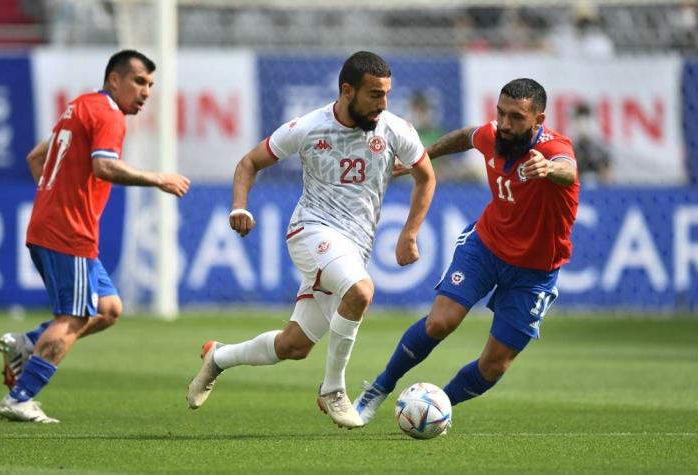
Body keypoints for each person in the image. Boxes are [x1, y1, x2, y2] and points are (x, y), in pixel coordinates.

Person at [187, 51, 435, 429]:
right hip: (312, 230)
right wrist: (240, 206)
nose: (382, 105)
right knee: (361, 291)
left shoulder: (394, 128)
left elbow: (426, 176)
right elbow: (248, 163)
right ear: (347, 91)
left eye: (386, 95)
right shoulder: (309, 127)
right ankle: (333, 389)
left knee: (294, 346)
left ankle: (218, 358)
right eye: (374, 95)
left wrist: (410, 232)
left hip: (355, 245)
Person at [353, 78, 579, 425]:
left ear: (539, 120)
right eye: (501, 113)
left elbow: (568, 169)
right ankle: (380, 387)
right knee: (441, 321)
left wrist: (548, 169)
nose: (504, 124)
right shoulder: (493, 135)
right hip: (486, 245)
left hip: (535, 273)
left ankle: (435, 408)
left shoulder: (552, 151)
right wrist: (422, 156)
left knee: (494, 364)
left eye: (516, 117)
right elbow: (464, 137)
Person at [0, 49, 191, 423]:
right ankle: (20, 397)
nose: (146, 91)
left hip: (55, 226)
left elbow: (36, 157)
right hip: (68, 232)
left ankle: (27, 344)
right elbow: (103, 166)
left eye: (150, 84)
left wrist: (56, 196)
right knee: (72, 318)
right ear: (114, 80)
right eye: (138, 81)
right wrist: (157, 178)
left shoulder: (80, 106)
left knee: (108, 309)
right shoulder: (109, 115)